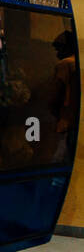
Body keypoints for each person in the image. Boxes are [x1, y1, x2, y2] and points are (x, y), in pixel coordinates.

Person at [52, 29, 79, 163]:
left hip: (67, 121)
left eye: (59, 49)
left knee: (60, 159)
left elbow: (56, 95)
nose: (57, 54)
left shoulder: (65, 64)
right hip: (78, 121)